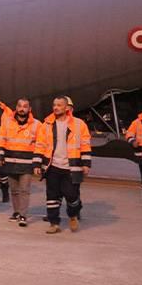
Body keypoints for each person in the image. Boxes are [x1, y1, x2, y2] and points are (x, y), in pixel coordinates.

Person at [35, 96, 92, 234]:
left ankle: (73, 214)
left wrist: (86, 164)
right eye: (54, 105)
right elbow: (40, 144)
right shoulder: (46, 124)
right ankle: (54, 223)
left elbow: (85, 144)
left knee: (71, 195)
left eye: (59, 105)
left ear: (67, 108)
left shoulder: (79, 124)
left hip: (71, 166)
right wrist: (37, 163)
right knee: (52, 196)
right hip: (52, 166)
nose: (56, 107)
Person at [0, 98, 40, 227]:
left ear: (29, 109)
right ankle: (16, 212)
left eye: (25, 106)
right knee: (14, 190)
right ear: (16, 107)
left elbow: (40, 144)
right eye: (20, 106)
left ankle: (23, 215)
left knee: (24, 190)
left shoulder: (37, 125)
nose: (22, 109)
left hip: (27, 163)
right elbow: (0, 140)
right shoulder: (7, 123)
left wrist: (37, 163)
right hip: (10, 161)